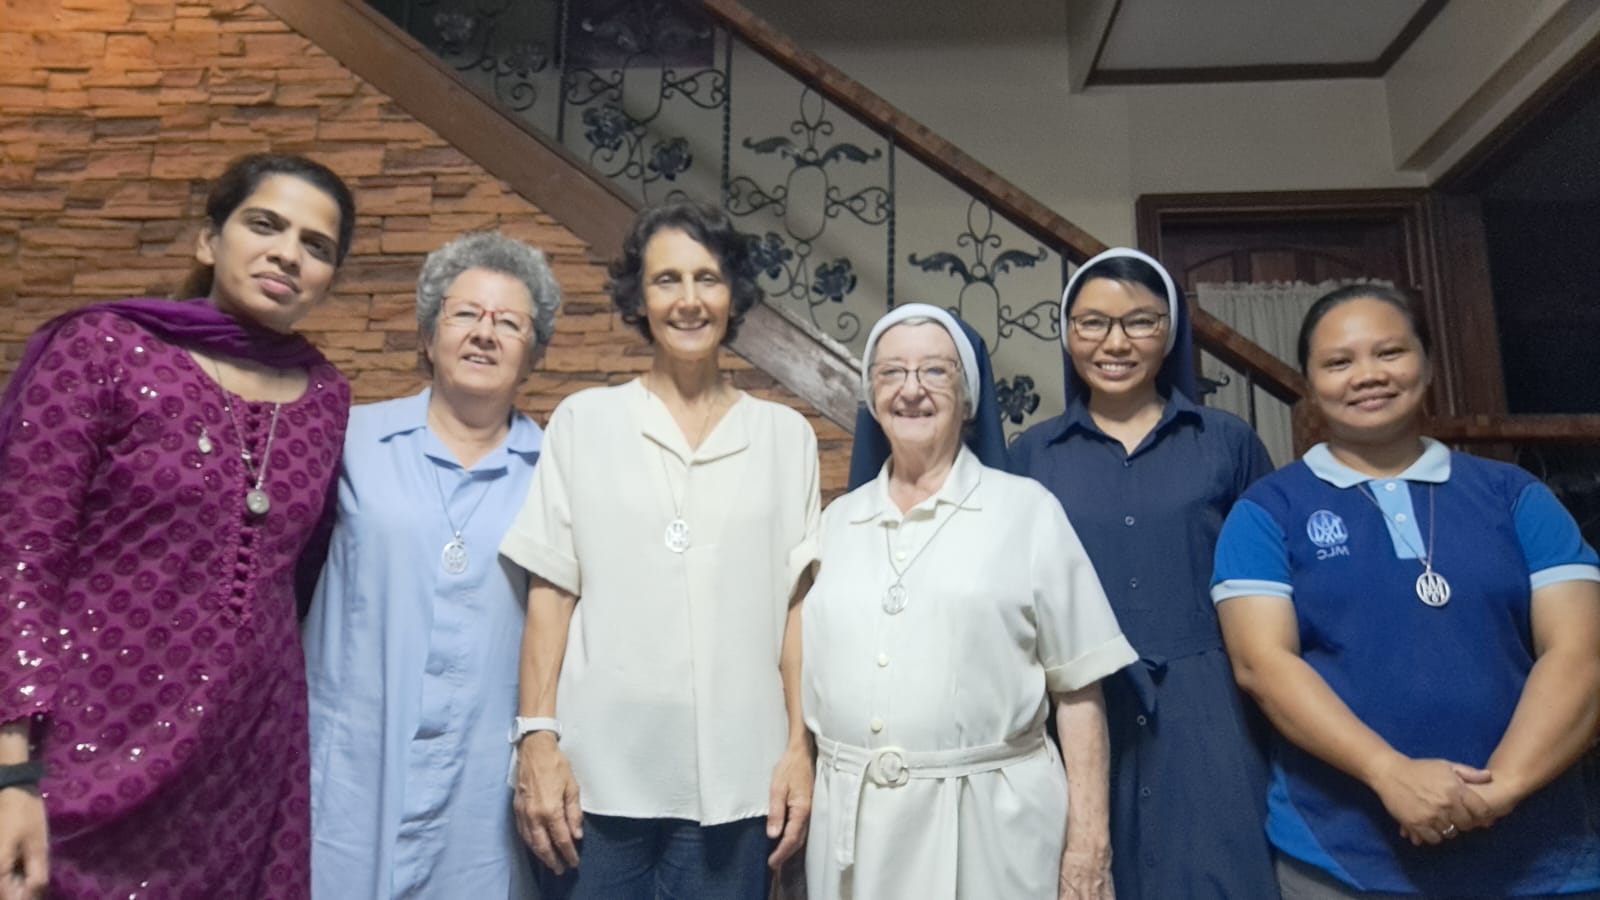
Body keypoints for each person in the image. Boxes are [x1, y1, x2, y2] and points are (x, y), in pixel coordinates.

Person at [0, 153, 356, 898]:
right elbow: (21, 562)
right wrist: (12, 772)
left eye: (316, 245)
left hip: (243, 773)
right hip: (78, 749)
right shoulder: (103, 349)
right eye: (265, 224)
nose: (288, 253)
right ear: (209, 240)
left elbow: (293, 583)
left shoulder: (326, 397)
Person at [1212, 285, 1600, 898]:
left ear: (1428, 365)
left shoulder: (1515, 495)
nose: (1368, 375)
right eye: (1339, 362)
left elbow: (1580, 655)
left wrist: (1499, 790)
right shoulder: (1268, 510)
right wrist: (1388, 772)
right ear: (1310, 385)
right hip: (1340, 857)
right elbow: (1263, 665)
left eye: (1389, 352)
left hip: (1540, 854)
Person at [499, 199, 819, 900]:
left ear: (734, 294)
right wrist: (538, 737)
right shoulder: (585, 422)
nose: (689, 300)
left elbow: (797, 613)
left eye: (708, 278)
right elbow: (552, 592)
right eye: (667, 280)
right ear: (639, 298)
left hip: (741, 783)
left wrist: (801, 747)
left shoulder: (784, 437)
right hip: (594, 781)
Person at [803, 302, 1139, 900]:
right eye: (891, 373)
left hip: (992, 829)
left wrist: (1089, 846)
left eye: (935, 371)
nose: (911, 390)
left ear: (968, 398)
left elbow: (1079, 691)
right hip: (853, 833)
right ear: (871, 396)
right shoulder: (836, 522)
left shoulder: (1027, 511)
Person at [1009, 247, 1279, 899]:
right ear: (1068, 333)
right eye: (1093, 323)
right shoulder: (1032, 456)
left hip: (1210, 707)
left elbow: (1271, 583)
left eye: (1140, 322)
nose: (1115, 343)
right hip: (1078, 708)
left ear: (1171, 331)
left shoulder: (1227, 442)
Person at [303, 232, 561, 898]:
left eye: (509, 323)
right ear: (427, 333)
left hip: (480, 785)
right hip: (351, 770)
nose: (484, 334)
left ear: (533, 355)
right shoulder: (348, 440)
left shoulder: (558, 474)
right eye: (465, 314)